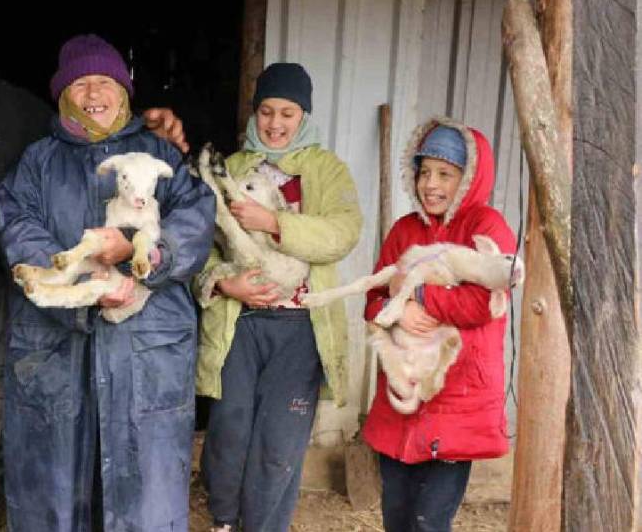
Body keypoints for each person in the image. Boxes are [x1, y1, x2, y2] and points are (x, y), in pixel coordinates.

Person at [0, 1, 188, 530]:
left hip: (26, 296)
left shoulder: (22, 111)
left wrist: (142, 253)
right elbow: (18, 216)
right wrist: (73, 271)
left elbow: (183, 211)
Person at [0, 34, 214, 532]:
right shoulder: (38, 161)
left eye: (105, 81)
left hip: (144, 341)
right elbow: (16, 227)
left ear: (125, 91)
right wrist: (84, 276)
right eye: (80, 83)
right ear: (62, 95)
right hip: (58, 339)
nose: (94, 92)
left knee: (143, 489)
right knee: (56, 490)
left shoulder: (162, 156)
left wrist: (145, 257)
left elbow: (197, 220)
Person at [193, 62, 362, 532]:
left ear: (303, 115)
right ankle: (225, 520)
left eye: (288, 113)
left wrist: (274, 224)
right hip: (242, 323)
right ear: (255, 112)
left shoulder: (327, 170)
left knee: (278, 443)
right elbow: (200, 246)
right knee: (229, 432)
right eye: (267, 111)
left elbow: (343, 232)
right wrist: (224, 283)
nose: (275, 123)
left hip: (300, 328)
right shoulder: (237, 167)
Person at [362, 117, 515, 532]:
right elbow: (373, 301)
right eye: (424, 172)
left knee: (429, 521)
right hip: (402, 392)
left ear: (469, 180)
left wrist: (418, 296)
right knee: (396, 515)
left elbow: (484, 302)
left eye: (446, 174)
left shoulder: (487, 228)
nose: (431, 184)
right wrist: (391, 307)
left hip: (456, 397)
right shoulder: (405, 230)